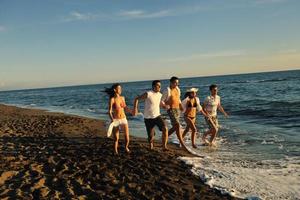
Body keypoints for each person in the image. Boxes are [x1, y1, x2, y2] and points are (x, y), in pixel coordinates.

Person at [133, 80, 168, 150]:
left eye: (160, 86)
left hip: (157, 116)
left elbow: (161, 104)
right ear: (154, 86)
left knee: (165, 128)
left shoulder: (160, 95)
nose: (160, 87)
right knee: (151, 137)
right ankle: (151, 146)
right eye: (159, 86)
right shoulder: (148, 94)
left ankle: (164, 146)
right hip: (148, 118)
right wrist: (135, 109)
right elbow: (137, 99)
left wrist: (165, 106)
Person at [104, 83, 133, 155]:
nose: (121, 90)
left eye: (121, 88)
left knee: (127, 137)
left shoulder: (122, 98)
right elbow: (110, 111)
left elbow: (125, 107)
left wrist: (132, 111)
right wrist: (112, 119)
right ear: (115, 90)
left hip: (123, 119)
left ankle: (126, 147)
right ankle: (115, 151)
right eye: (119, 88)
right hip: (116, 120)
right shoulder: (112, 99)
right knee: (116, 138)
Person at [161, 76, 188, 151]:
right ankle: (182, 144)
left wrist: (181, 106)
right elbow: (162, 101)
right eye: (175, 83)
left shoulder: (178, 89)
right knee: (177, 125)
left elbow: (178, 99)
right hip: (171, 109)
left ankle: (164, 137)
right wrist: (165, 105)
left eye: (177, 83)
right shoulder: (167, 90)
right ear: (171, 82)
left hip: (177, 109)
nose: (176, 84)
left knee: (175, 127)